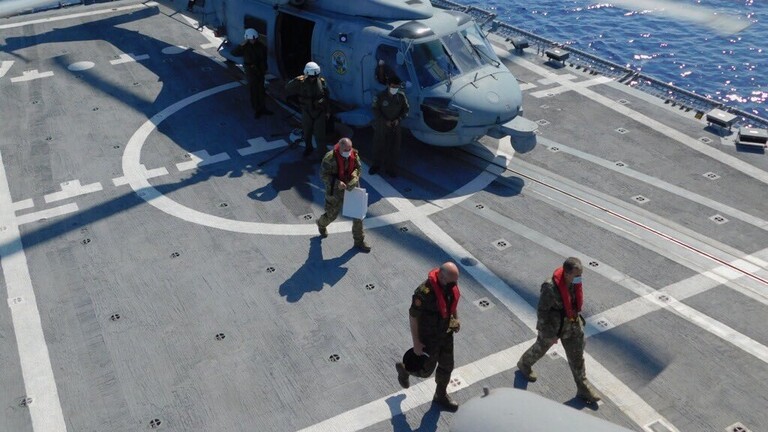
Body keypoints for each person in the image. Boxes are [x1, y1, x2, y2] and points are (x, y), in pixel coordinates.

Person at [516, 257, 601, 404]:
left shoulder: (575, 282)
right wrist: (548, 333)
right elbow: (542, 311)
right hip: (553, 326)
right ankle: (524, 363)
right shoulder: (549, 287)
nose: (579, 278)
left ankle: (583, 387)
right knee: (540, 348)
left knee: (577, 355)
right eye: (576, 275)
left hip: (572, 324)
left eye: (580, 274)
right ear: (567, 274)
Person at [396, 262, 462, 412]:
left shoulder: (450, 284)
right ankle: (406, 370)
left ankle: (440, 395)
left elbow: (452, 302)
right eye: (452, 281)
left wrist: (455, 319)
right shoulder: (423, 293)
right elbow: (413, 317)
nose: (455, 284)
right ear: (442, 277)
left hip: (446, 333)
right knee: (425, 371)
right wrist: (416, 342)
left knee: (447, 366)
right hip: (429, 337)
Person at [316, 138, 371, 252]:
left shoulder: (354, 154)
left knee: (358, 215)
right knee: (331, 214)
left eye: (349, 148)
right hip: (335, 190)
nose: (348, 151)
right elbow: (323, 175)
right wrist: (338, 183)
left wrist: (354, 176)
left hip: (352, 188)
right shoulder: (329, 158)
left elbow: (358, 168)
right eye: (345, 149)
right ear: (339, 147)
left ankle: (359, 241)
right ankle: (321, 224)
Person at [286, 61, 330, 158]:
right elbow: (288, 87)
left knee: (320, 135)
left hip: (319, 111)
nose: (313, 78)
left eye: (315, 76)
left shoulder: (322, 82)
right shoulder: (300, 82)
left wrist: (327, 111)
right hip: (306, 111)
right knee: (307, 132)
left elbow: (326, 97)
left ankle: (322, 154)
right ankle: (308, 148)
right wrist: (296, 80)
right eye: (311, 76)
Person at [370, 75, 409, 177]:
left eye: (397, 87)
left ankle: (390, 168)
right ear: (388, 85)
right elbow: (375, 109)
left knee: (394, 148)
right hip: (382, 126)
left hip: (395, 126)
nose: (395, 89)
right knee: (378, 145)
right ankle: (376, 165)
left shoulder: (401, 96)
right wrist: (384, 121)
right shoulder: (380, 96)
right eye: (393, 86)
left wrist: (398, 119)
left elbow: (406, 110)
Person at [231, 29, 273, 119]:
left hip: (259, 70)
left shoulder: (261, 46)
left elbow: (263, 59)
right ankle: (257, 109)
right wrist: (241, 45)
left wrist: (263, 70)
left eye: (254, 39)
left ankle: (262, 108)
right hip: (250, 71)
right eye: (251, 39)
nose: (253, 40)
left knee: (261, 90)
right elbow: (234, 53)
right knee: (254, 90)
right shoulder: (245, 47)